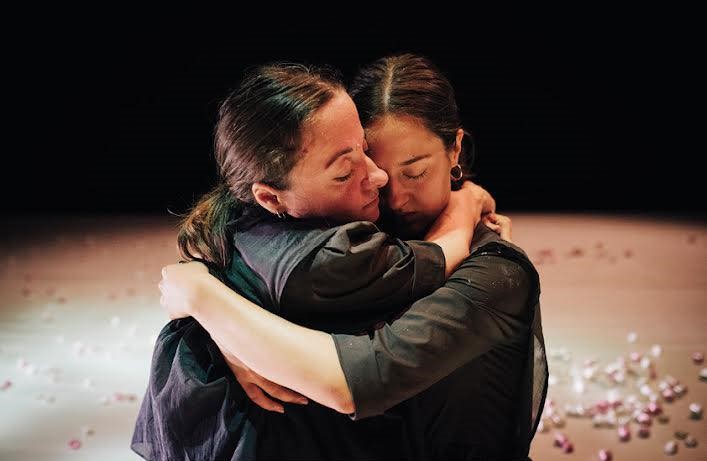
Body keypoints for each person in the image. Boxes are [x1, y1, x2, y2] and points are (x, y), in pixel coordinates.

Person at [151, 54, 548, 460]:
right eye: (368, 163)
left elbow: (364, 377)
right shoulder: (337, 235)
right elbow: (232, 240)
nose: (386, 190)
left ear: (455, 150)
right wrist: (226, 337)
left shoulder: (497, 271)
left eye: (414, 172)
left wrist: (209, 304)